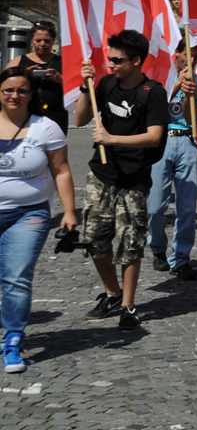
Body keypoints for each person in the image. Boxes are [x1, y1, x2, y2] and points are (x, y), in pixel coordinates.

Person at [75, 30, 170, 331]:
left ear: (136, 60)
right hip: (102, 174)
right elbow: (79, 119)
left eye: (117, 60)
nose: (111, 64)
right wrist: (83, 86)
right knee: (94, 238)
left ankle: (128, 306)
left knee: (130, 243)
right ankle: (112, 293)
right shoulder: (105, 84)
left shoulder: (152, 92)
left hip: (134, 178)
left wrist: (112, 138)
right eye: (109, 59)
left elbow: (154, 137)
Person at [0, 68, 76, 373]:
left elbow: (62, 171)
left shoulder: (46, 127)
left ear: (32, 95)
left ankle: (13, 341)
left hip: (28, 213)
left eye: (21, 90)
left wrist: (69, 211)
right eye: (8, 90)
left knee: (16, 276)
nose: (14, 96)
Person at [147, 41, 197, 281]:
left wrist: (191, 97)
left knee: (186, 208)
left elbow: (196, 118)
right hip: (162, 141)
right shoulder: (160, 80)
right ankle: (157, 247)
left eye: (196, 56)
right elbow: (154, 111)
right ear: (177, 55)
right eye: (187, 55)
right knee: (155, 207)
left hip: (187, 141)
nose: (191, 60)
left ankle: (181, 258)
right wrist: (174, 88)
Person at [7, 20, 67, 132]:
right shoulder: (19, 61)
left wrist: (60, 79)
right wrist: (25, 76)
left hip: (55, 118)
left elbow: (75, 92)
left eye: (47, 41)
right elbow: (5, 86)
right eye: (38, 40)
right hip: (25, 117)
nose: (42, 44)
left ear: (54, 41)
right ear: (31, 40)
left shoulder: (62, 62)